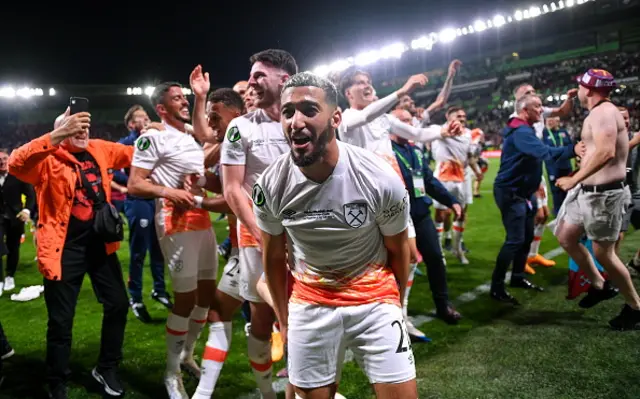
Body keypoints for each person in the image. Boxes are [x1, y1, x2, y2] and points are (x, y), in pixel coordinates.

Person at [256, 71, 417, 398]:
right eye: (288, 112)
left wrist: (394, 307)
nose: (296, 121)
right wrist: (285, 322)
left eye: (309, 110)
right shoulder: (270, 185)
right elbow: (273, 256)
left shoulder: (380, 178)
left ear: (337, 118)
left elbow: (400, 252)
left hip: (375, 298)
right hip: (310, 300)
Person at [9, 108, 133, 398]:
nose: (81, 132)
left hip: (100, 247)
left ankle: (106, 367)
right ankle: (57, 380)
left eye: (84, 127)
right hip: (63, 250)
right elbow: (16, 163)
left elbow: (132, 153)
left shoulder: (99, 149)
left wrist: (160, 136)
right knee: (61, 320)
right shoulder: (46, 159)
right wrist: (56, 134)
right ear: (60, 133)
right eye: (73, 127)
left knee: (117, 304)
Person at [127, 81, 218, 397]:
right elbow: (136, 184)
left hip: (202, 220)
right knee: (185, 299)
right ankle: (171, 372)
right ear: (162, 108)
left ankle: (188, 354)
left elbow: (201, 173)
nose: (183, 101)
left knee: (206, 296)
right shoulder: (151, 138)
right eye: (176, 98)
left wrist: (200, 181)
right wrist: (169, 191)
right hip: (174, 222)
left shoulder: (191, 139)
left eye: (185, 97)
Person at [220, 49, 298, 399]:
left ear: (284, 80)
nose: (250, 82)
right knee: (263, 319)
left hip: (304, 234)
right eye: (250, 76)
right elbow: (232, 189)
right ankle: (268, 393)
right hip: (257, 237)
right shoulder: (240, 127)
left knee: (307, 314)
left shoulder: (303, 120)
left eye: (258, 76)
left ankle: (301, 388)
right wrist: (262, 234)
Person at [554, 69, 640, 330]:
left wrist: (574, 178)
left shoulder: (603, 112)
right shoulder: (599, 112)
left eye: (580, 87)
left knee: (604, 253)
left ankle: (636, 307)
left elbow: (605, 152)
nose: (578, 91)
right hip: (587, 193)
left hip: (603, 196)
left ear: (588, 89)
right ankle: (599, 284)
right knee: (565, 235)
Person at [491, 94, 581, 304]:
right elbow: (545, 152)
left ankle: (517, 277)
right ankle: (496, 287)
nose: (542, 110)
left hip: (523, 192)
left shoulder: (523, 129)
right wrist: (572, 150)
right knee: (514, 240)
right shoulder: (522, 132)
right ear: (525, 111)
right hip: (511, 192)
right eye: (538, 107)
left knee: (527, 236)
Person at [390, 109, 462, 324]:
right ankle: (396, 314)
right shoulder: (385, 150)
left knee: (435, 259)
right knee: (400, 266)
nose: (408, 124)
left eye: (410, 121)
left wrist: (452, 200)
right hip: (396, 219)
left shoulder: (416, 151)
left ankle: (443, 305)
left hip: (421, 214)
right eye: (403, 121)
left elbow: (429, 181)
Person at [511, 83, 577, 271]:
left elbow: (563, 111)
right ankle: (521, 259)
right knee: (533, 215)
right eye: (527, 93)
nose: (532, 94)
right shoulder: (516, 120)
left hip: (536, 168)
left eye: (533, 92)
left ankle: (532, 255)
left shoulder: (539, 111)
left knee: (544, 215)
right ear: (518, 100)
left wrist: (570, 98)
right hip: (525, 172)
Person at [115, 105, 171, 323]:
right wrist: (133, 182)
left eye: (148, 117)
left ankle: (159, 290)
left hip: (157, 201)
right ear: (131, 124)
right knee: (138, 252)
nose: (147, 120)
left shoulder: (155, 140)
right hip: (138, 201)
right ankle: (135, 298)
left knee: (159, 249)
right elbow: (113, 171)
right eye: (141, 118)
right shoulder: (125, 144)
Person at [0, 148, 35, 294]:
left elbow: (31, 194)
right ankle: (0, 280)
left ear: (9, 159)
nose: (2, 162)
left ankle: (9, 276)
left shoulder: (18, 175)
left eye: (4, 159)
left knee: (13, 247)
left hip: (16, 217)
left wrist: (27, 210)